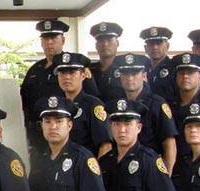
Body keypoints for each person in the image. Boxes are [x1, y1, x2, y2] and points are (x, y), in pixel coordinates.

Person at [20, 19, 99, 156]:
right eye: (45, 39)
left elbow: (92, 98)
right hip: (38, 136)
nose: (49, 42)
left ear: (62, 40)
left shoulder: (76, 65)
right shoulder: (35, 70)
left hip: (66, 133)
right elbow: (24, 103)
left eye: (53, 38)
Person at [113, 53, 178, 172]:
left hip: (150, 168)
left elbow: (170, 143)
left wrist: (166, 175)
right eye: (125, 74)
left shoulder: (157, 104)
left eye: (134, 73)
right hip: (122, 169)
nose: (130, 78)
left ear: (144, 75)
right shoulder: (116, 104)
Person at [54, 52, 113, 158]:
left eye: (72, 73)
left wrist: (96, 171)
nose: (66, 77)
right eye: (62, 73)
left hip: (85, 167)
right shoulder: (56, 105)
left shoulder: (93, 105)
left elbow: (105, 146)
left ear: (83, 76)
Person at [89, 22, 124, 102]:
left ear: (117, 43)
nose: (105, 44)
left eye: (109, 40)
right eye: (101, 41)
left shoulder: (125, 70)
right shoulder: (88, 70)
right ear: (96, 45)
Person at [140, 27, 176, 102]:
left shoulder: (174, 68)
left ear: (167, 46)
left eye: (159, 43)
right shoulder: (140, 69)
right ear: (145, 48)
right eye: (151, 44)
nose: (155, 47)